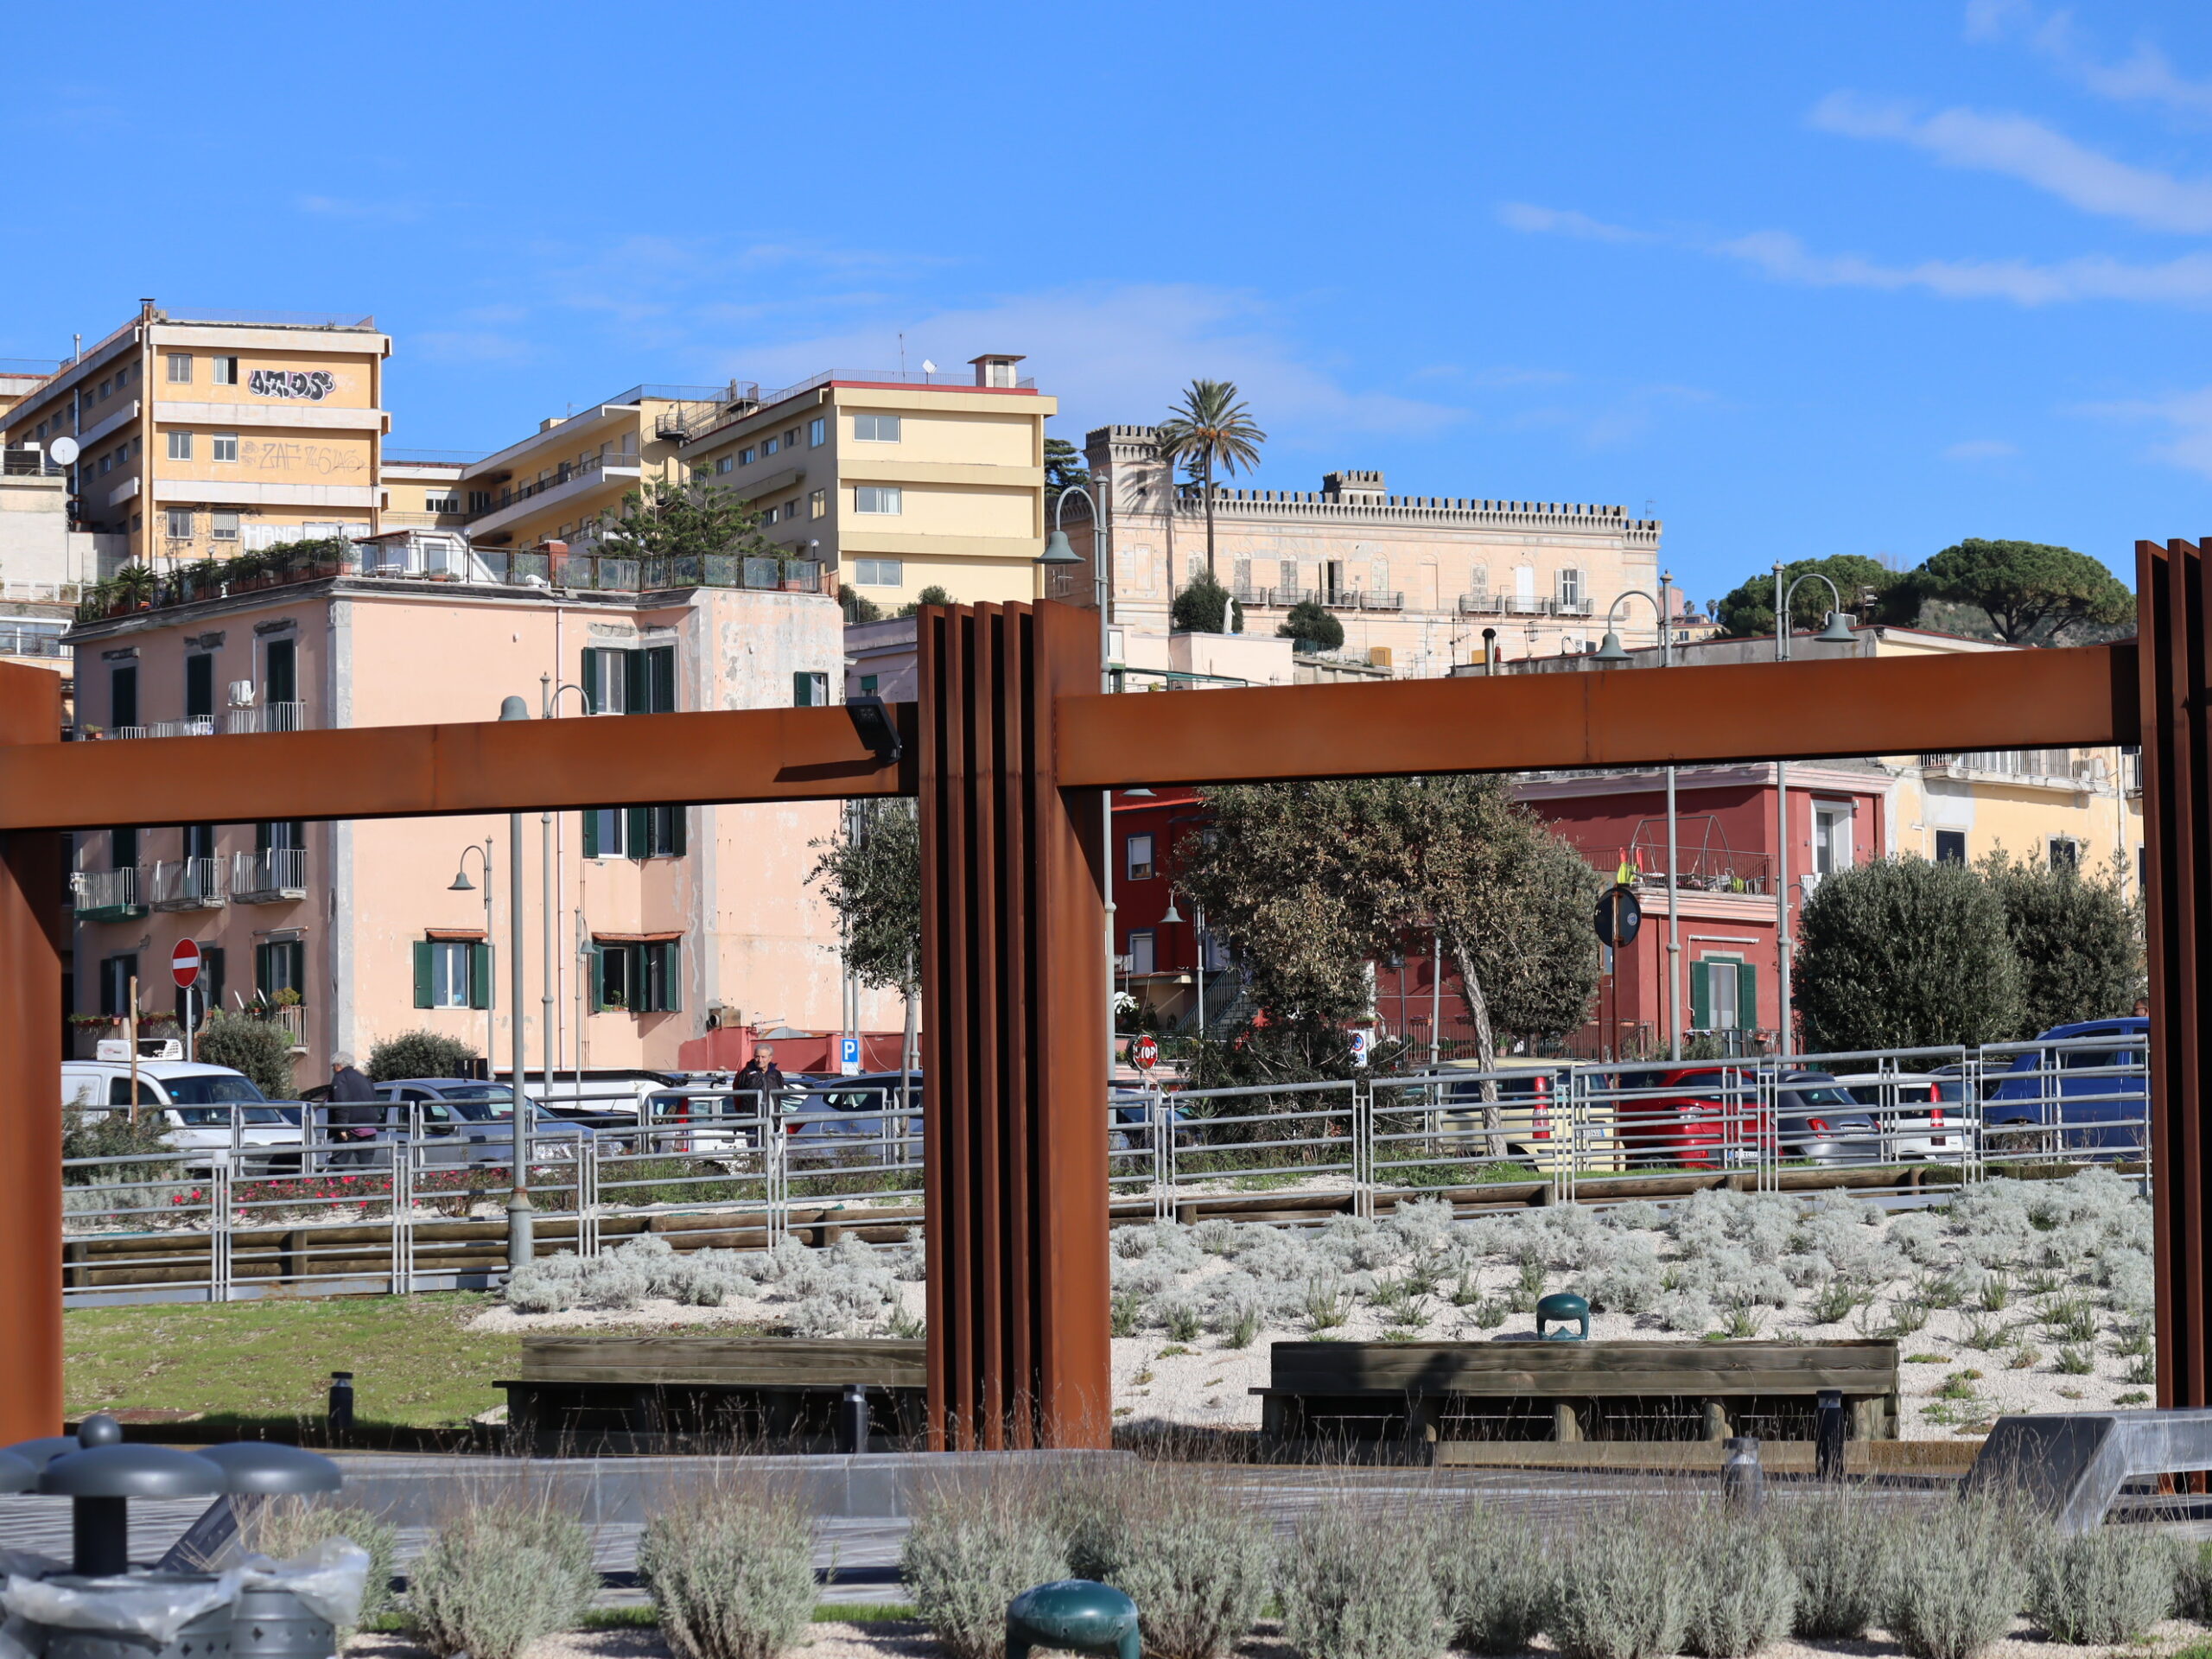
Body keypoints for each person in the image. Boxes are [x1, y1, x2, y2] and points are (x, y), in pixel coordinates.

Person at [326, 1052, 381, 1167]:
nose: (332, 1069)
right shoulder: (364, 1078)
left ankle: (331, 1184)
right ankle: (368, 1184)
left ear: (338, 1065)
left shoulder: (340, 1077)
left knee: (337, 1163)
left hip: (351, 1128)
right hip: (369, 1127)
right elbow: (375, 1100)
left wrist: (342, 1127)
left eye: (333, 1066)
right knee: (366, 1165)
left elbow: (341, 1102)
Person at [734, 1047, 785, 1117]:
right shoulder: (745, 1073)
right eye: (757, 1057)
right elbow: (737, 1097)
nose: (760, 1060)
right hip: (750, 1122)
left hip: (772, 1121)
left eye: (763, 1057)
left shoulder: (776, 1074)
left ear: (770, 1058)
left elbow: (779, 1096)